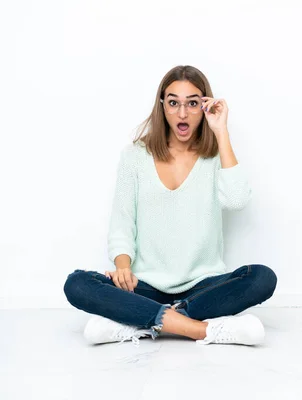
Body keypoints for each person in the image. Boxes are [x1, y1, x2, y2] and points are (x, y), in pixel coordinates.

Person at [63, 65, 277, 346]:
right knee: (76, 284)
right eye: (174, 102)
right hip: (145, 285)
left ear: (205, 106)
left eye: (193, 103)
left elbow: (236, 200)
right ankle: (198, 329)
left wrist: (221, 131)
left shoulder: (215, 158)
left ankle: (143, 322)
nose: (183, 113)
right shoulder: (135, 156)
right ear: (162, 105)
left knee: (262, 278)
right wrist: (123, 268)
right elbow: (122, 223)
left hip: (202, 286)